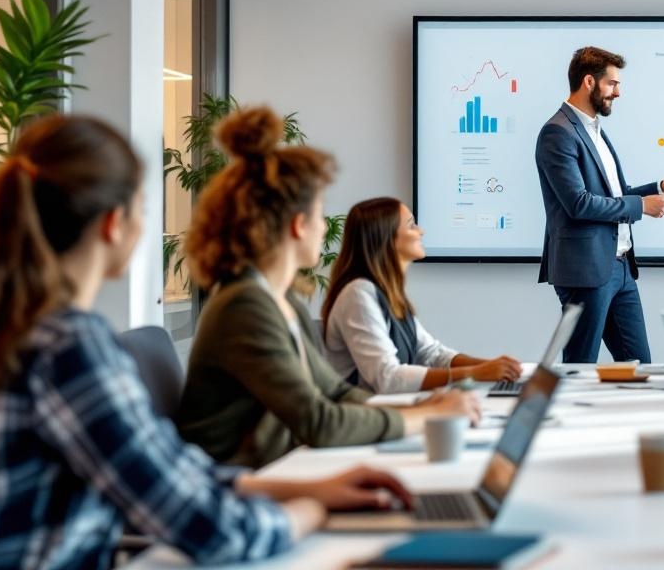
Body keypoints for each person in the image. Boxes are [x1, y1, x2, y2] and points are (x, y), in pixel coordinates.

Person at [0, 115, 415, 569]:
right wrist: (312, 512)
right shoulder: (70, 347)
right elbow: (213, 530)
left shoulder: (21, 332)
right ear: (114, 223)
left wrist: (307, 490)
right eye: (145, 209)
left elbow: (174, 472)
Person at [177, 107, 480, 469]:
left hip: (281, 467)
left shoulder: (278, 299)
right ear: (297, 225)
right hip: (239, 488)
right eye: (319, 215)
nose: (324, 227)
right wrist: (428, 416)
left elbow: (334, 392)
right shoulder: (244, 306)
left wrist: (421, 407)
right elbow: (319, 422)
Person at [535, 46, 664, 363]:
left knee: (639, 366)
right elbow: (579, 204)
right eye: (612, 83)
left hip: (621, 268)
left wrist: (661, 187)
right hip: (585, 271)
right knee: (579, 366)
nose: (618, 92)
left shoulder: (595, 130)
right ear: (589, 82)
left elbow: (616, 193)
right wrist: (642, 207)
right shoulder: (557, 133)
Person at [321, 197, 523, 393]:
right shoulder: (358, 294)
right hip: (366, 418)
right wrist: (475, 373)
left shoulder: (388, 293)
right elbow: (387, 378)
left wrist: (493, 367)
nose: (421, 231)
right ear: (386, 238)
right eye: (411, 225)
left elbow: (431, 354)